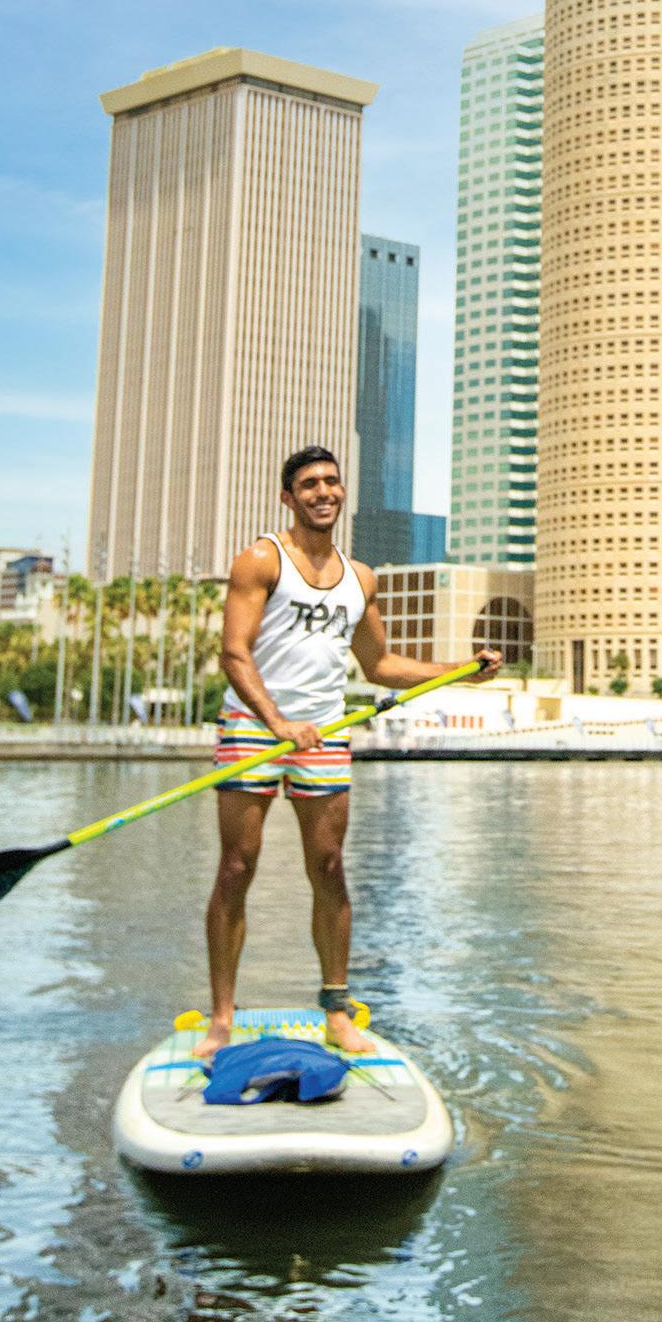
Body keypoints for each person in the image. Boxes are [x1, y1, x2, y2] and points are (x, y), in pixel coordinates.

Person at [196, 445, 501, 1057]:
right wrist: (278, 722)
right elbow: (234, 653)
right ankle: (223, 1016)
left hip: (326, 732)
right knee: (236, 868)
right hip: (255, 726)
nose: (323, 492)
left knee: (330, 866)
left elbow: (379, 664)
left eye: (331, 482)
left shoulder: (361, 578)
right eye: (309, 484)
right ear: (288, 498)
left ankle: (336, 1008)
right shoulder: (261, 560)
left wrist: (460, 671)